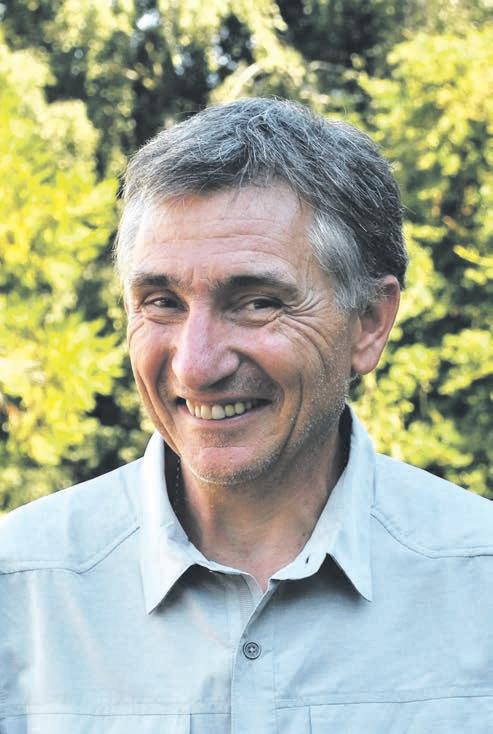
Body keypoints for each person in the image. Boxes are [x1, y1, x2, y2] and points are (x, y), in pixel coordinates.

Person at [1, 97, 492, 733]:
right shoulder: (21, 589)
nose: (195, 366)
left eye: (257, 302)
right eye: (161, 302)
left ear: (370, 322)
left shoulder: (479, 581)